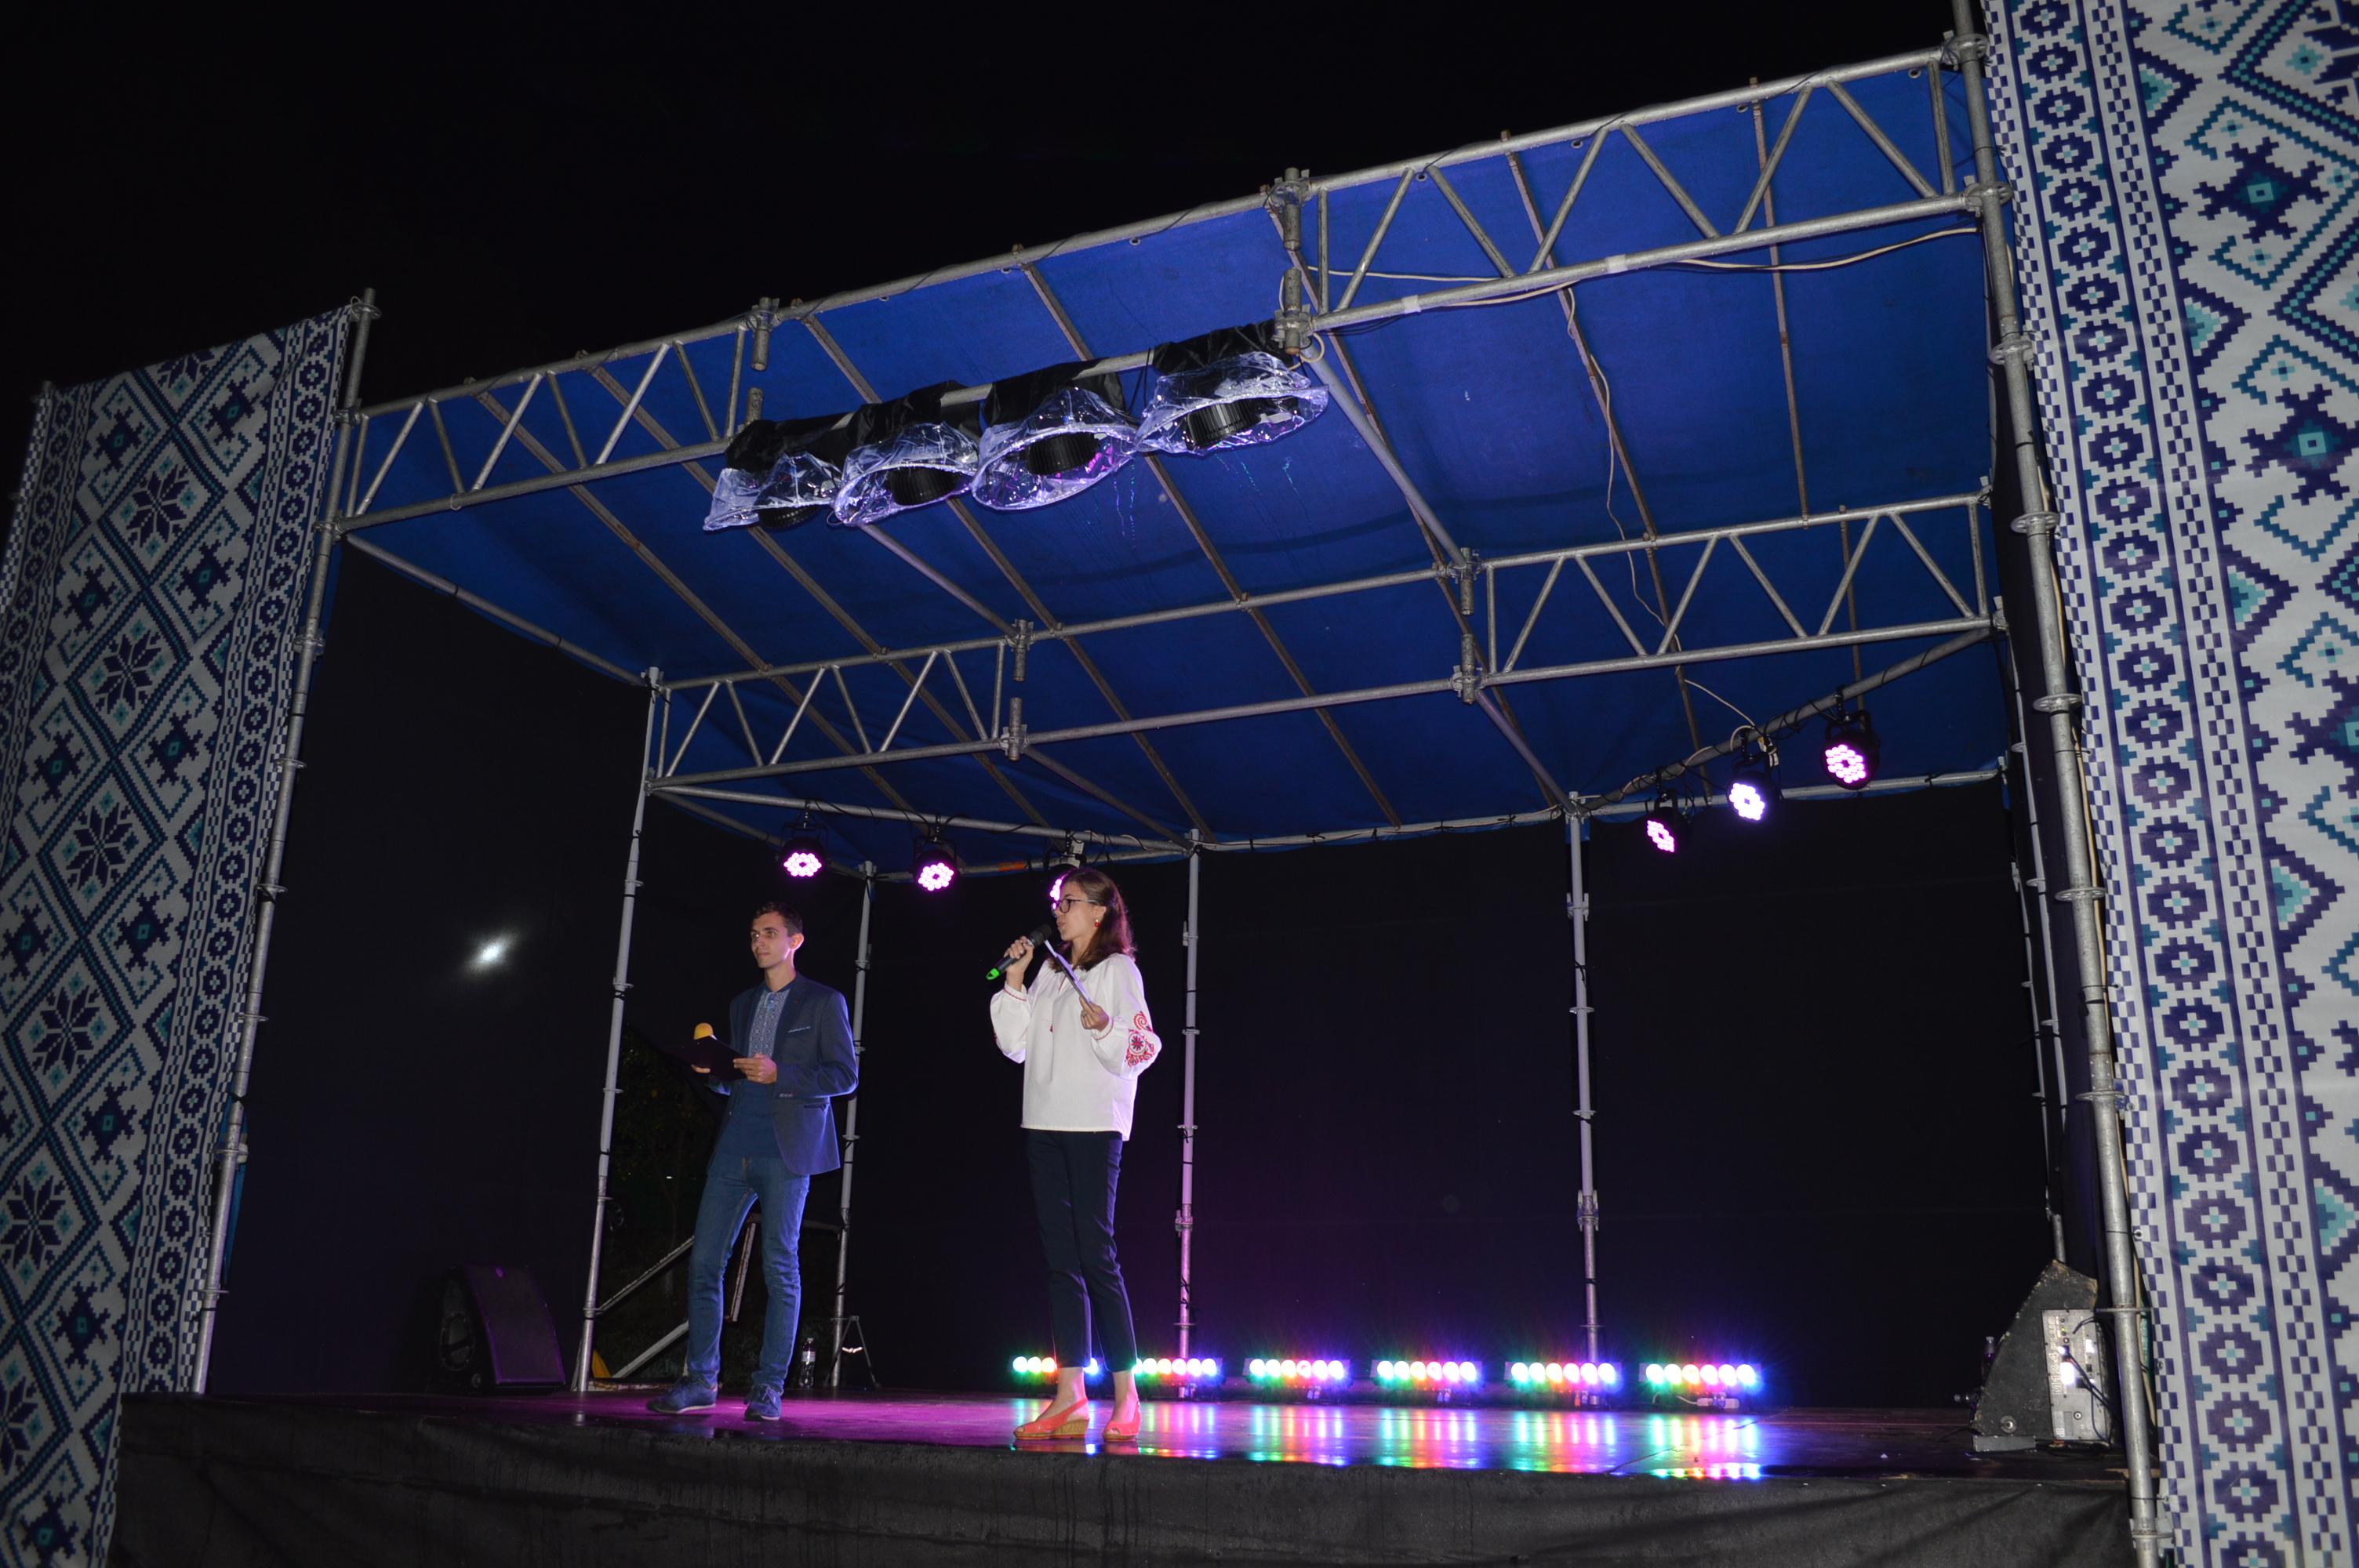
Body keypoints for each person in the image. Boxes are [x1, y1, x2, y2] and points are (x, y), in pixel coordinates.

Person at [648, 902, 857, 1420]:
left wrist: (781, 1072)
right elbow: (738, 1079)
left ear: (794, 941)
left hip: (787, 1151)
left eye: (768, 933)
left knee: (779, 1266)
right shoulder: (743, 1003)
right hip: (734, 1144)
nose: (758, 942)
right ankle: (701, 1380)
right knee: (704, 1264)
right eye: (753, 935)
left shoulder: (823, 1001)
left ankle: (769, 1388)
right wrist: (713, 1070)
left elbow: (844, 1076)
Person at [992, 867, 1161, 1443]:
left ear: (1099, 912)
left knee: (1096, 1255)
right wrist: (1015, 981)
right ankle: (1070, 1395)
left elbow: (1143, 1046)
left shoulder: (1118, 970)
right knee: (1060, 1260)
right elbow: (1014, 1046)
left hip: (1092, 1124)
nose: (1059, 912)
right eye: (1058, 903)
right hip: (1042, 1122)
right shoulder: (1049, 971)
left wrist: (1108, 1027)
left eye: (1069, 903)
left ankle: (1127, 1393)